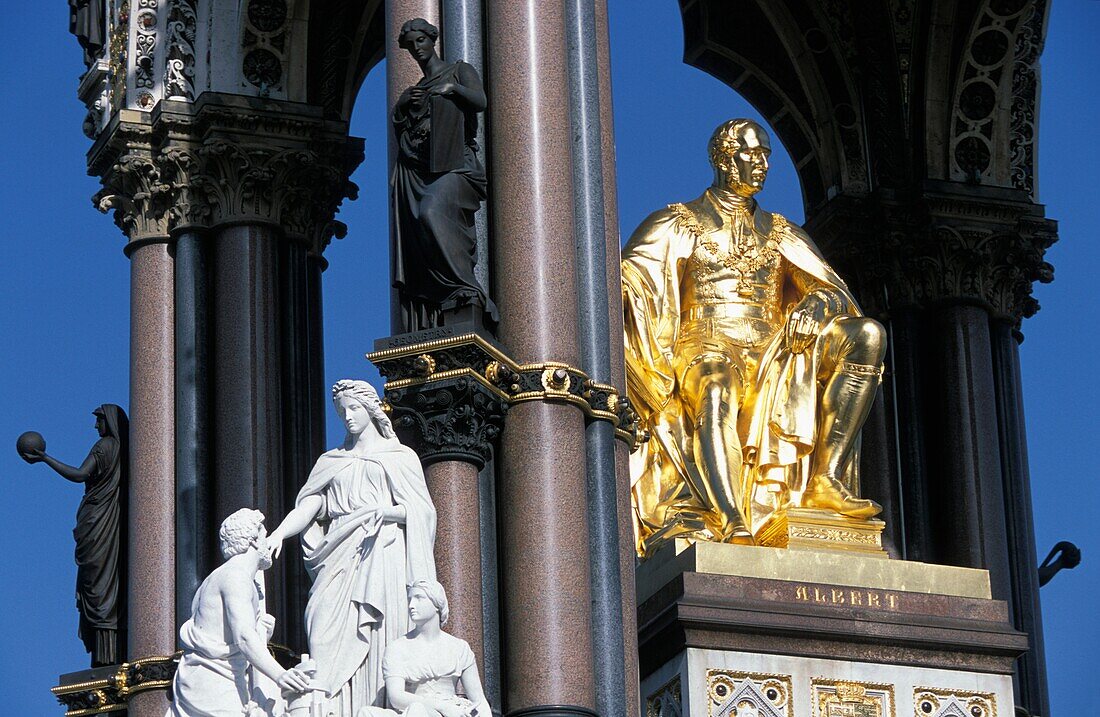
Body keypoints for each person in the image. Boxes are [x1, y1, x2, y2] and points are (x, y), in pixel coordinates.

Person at [622, 119, 886, 556]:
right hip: (706, 345)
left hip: (774, 352)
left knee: (868, 335)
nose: (762, 164)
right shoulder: (676, 222)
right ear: (725, 158)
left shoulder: (781, 231)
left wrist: (816, 306)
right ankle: (728, 517)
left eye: (766, 155)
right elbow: (633, 281)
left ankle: (826, 477)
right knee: (714, 386)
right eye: (752, 154)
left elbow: (832, 291)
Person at [269, 380, 437, 715]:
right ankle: (328, 704)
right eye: (342, 410)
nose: (347, 416)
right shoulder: (331, 461)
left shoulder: (400, 457)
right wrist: (277, 535)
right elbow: (309, 507)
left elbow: (422, 512)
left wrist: (383, 512)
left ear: (372, 410)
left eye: (354, 408)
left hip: (383, 553)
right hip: (337, 556)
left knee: (379, 632)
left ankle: (377, 705)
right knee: (322, 626)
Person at [391, 17, 498, 331]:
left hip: (457, 165)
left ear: (432, 39)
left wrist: (453, 88)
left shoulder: (459, 70)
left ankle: (466, 286)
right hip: (421, 170)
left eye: (420, 41)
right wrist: (400, 106)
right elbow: (404, 128)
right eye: (410, 46)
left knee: (432, 212)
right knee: (422, 226)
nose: (417, 49)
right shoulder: (415, 90)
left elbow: (480, 101)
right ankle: (449, 293)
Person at [167, 509, 311, 717]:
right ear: (253, 540)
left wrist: (261, 634)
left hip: (205, 678)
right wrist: (280, 675)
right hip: (214, 684)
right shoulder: (236, 577)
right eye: (264, 535)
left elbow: (221, 635)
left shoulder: (217, 579)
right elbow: (243, 637)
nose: (267, 541)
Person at [21, 404, 127, 666]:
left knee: (96, 580)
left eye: (98, 420)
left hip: (97, 519)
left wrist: (45, 458)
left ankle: (107, 653)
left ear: (108, 422)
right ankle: (111, 648)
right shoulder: (123, 449)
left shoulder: (104, 446)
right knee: (105, 578)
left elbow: (80, 475)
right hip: (106, 519)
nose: (95, 426)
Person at [358, 580, 492, 717]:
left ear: (436, 604)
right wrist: (443, 706)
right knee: (366, 713)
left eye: (419, 598)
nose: (411, 605)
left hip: (452, 713)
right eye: (410, 599)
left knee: (417, 710)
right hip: (415, 711)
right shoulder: (397, 648)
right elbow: (396, 697)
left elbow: (479, 700)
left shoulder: (459, 648)